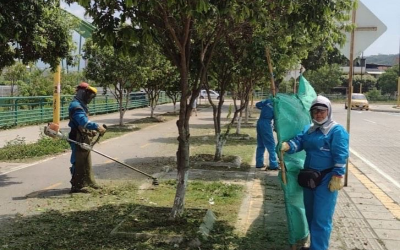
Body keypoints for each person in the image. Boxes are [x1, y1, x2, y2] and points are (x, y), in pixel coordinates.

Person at [281, 95, 349, 250]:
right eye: (315, 111)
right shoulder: (309, 129)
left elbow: (341, 154)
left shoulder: (336, 131)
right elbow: (299, 142)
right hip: (309, 178)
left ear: (329, 111)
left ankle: (319, 248)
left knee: (321, 218)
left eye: (322, 111)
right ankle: (314, 246)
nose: (318, 114)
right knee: (310, 214)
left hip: (327, 179)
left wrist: (338, 175)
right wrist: (288, 146)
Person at [68, 82, 106, 193]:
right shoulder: (76, 106)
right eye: (89, 95)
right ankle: (76, 185)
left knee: (85, 160)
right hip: (77, 137)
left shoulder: (81, 104)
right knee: (78, 160)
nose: (90, 98)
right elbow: (83, 122)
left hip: (83, 136)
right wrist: (97, 127)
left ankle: (88, 182)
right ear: (82, 92)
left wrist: (92, 131)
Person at [255, 98, 279, 170]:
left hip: (260, 122)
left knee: (261, 144)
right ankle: (273, 164)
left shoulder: (267, 100)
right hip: (266, 124)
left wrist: (264, 107)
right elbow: (276, 119)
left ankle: (259, 163)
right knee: (271, 144)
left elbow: (257, 105)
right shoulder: (277, 104)